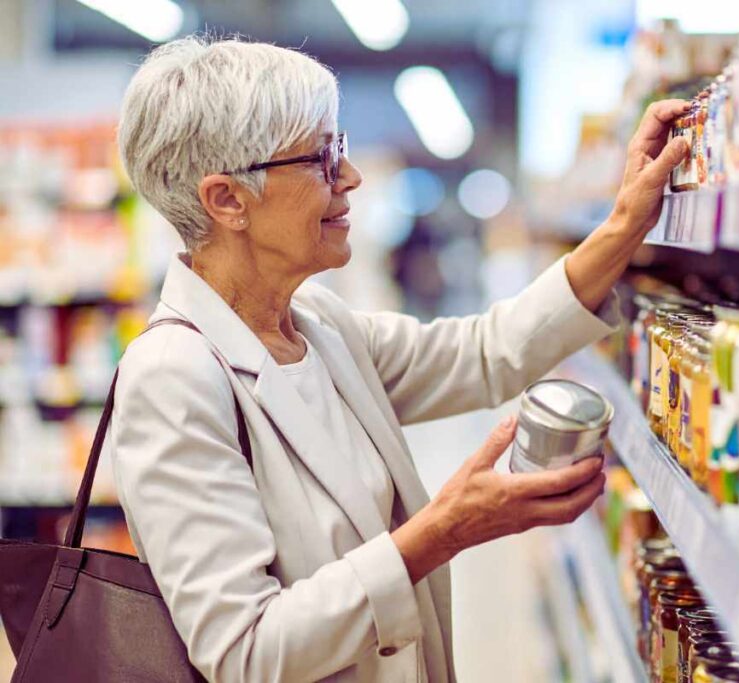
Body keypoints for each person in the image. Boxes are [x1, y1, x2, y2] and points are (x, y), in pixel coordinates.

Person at [113, 35, 689, 683]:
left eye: (342, 150)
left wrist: (623, 225)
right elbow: (245, 649)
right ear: (227, 200)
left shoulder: (320, 326)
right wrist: (442, 530)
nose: (351, 178)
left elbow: (485, 353)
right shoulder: (172, 377)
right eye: (322, 158)